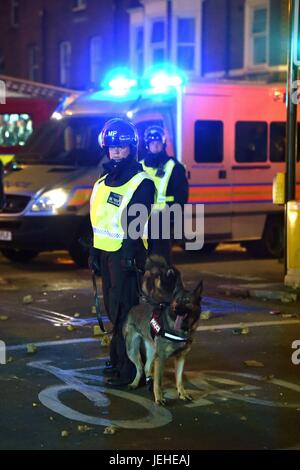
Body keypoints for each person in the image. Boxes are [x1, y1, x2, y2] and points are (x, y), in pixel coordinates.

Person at [89, 118, 155, 387]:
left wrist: (129, 253)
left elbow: (135, 223)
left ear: (132, 148)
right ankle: (118, 360)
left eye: (121, 147)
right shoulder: (102, 182)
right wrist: (94, 251)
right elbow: (97, 220)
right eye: (112, 147)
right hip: (106, 254)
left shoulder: (142, 182)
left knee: (126, 312)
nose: (116, 152)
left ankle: (130, 372)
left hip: (126, 256)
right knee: (113, 311)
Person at [141, 125, 189, 263]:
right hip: (141, 221)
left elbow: (181, 196)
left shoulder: (174, 167)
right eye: (152, 142)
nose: (155, 145)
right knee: (142, 263)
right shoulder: (140, 166)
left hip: (163, 222)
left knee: (161, 263)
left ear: (163, 144)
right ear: (147, 145)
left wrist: (173, 219)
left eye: (158, 142)